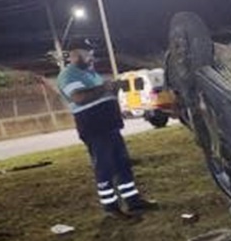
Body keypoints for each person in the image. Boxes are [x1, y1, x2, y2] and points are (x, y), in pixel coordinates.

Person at [57, 39, 157, 217]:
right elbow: (79, 97)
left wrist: (113, 90)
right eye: (86, 53)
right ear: (74, 55)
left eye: (90, 53)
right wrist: (105, 87)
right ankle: (110, 207)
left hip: (109, 126)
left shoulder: (90, 73)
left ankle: (133, 201)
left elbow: (100, 94)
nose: (90, 57)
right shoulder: (69, 75)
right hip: (94, 127)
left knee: (122, 164)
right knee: (105, 166)